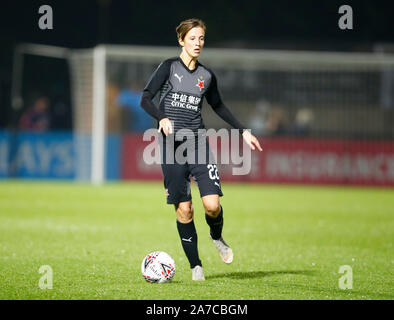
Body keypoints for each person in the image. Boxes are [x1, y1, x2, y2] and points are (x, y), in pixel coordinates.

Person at [140, 18, 262, 281]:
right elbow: (145, 98)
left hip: (197, 144)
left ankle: (216, 236)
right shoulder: (169, 67)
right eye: (192, 38)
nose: (197, 43)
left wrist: (243, 130)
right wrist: (161, 117)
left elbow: (218, 106)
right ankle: (196, 265)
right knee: (185, 210)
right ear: (181, 40)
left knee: (212, 206)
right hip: (172, 148)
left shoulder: (206, 76)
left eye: (201, 38)